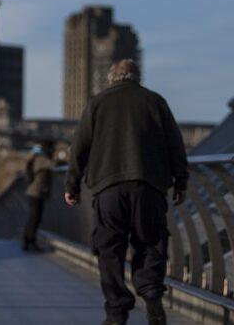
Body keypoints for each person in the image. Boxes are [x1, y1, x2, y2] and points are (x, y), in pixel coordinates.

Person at [64, 59, 188, 325]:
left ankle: (116, 312)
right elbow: (175, 144)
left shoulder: (97, 102)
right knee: (152, 244)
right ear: (136, 77)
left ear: (111, 78)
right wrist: (181, 181)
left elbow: (79, 147)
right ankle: (152, 297)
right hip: (149, 187)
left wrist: (71, 185)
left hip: (108, 189)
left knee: (109, 250)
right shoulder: (155, 101)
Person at [22, 143, 53, 252]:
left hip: (33, 193)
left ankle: (28, 241)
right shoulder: (40, 159)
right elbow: (51, 165)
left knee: (33, 218)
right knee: (35, 218)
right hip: (36, 193)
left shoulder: (32, 159)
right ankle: (29, 241)